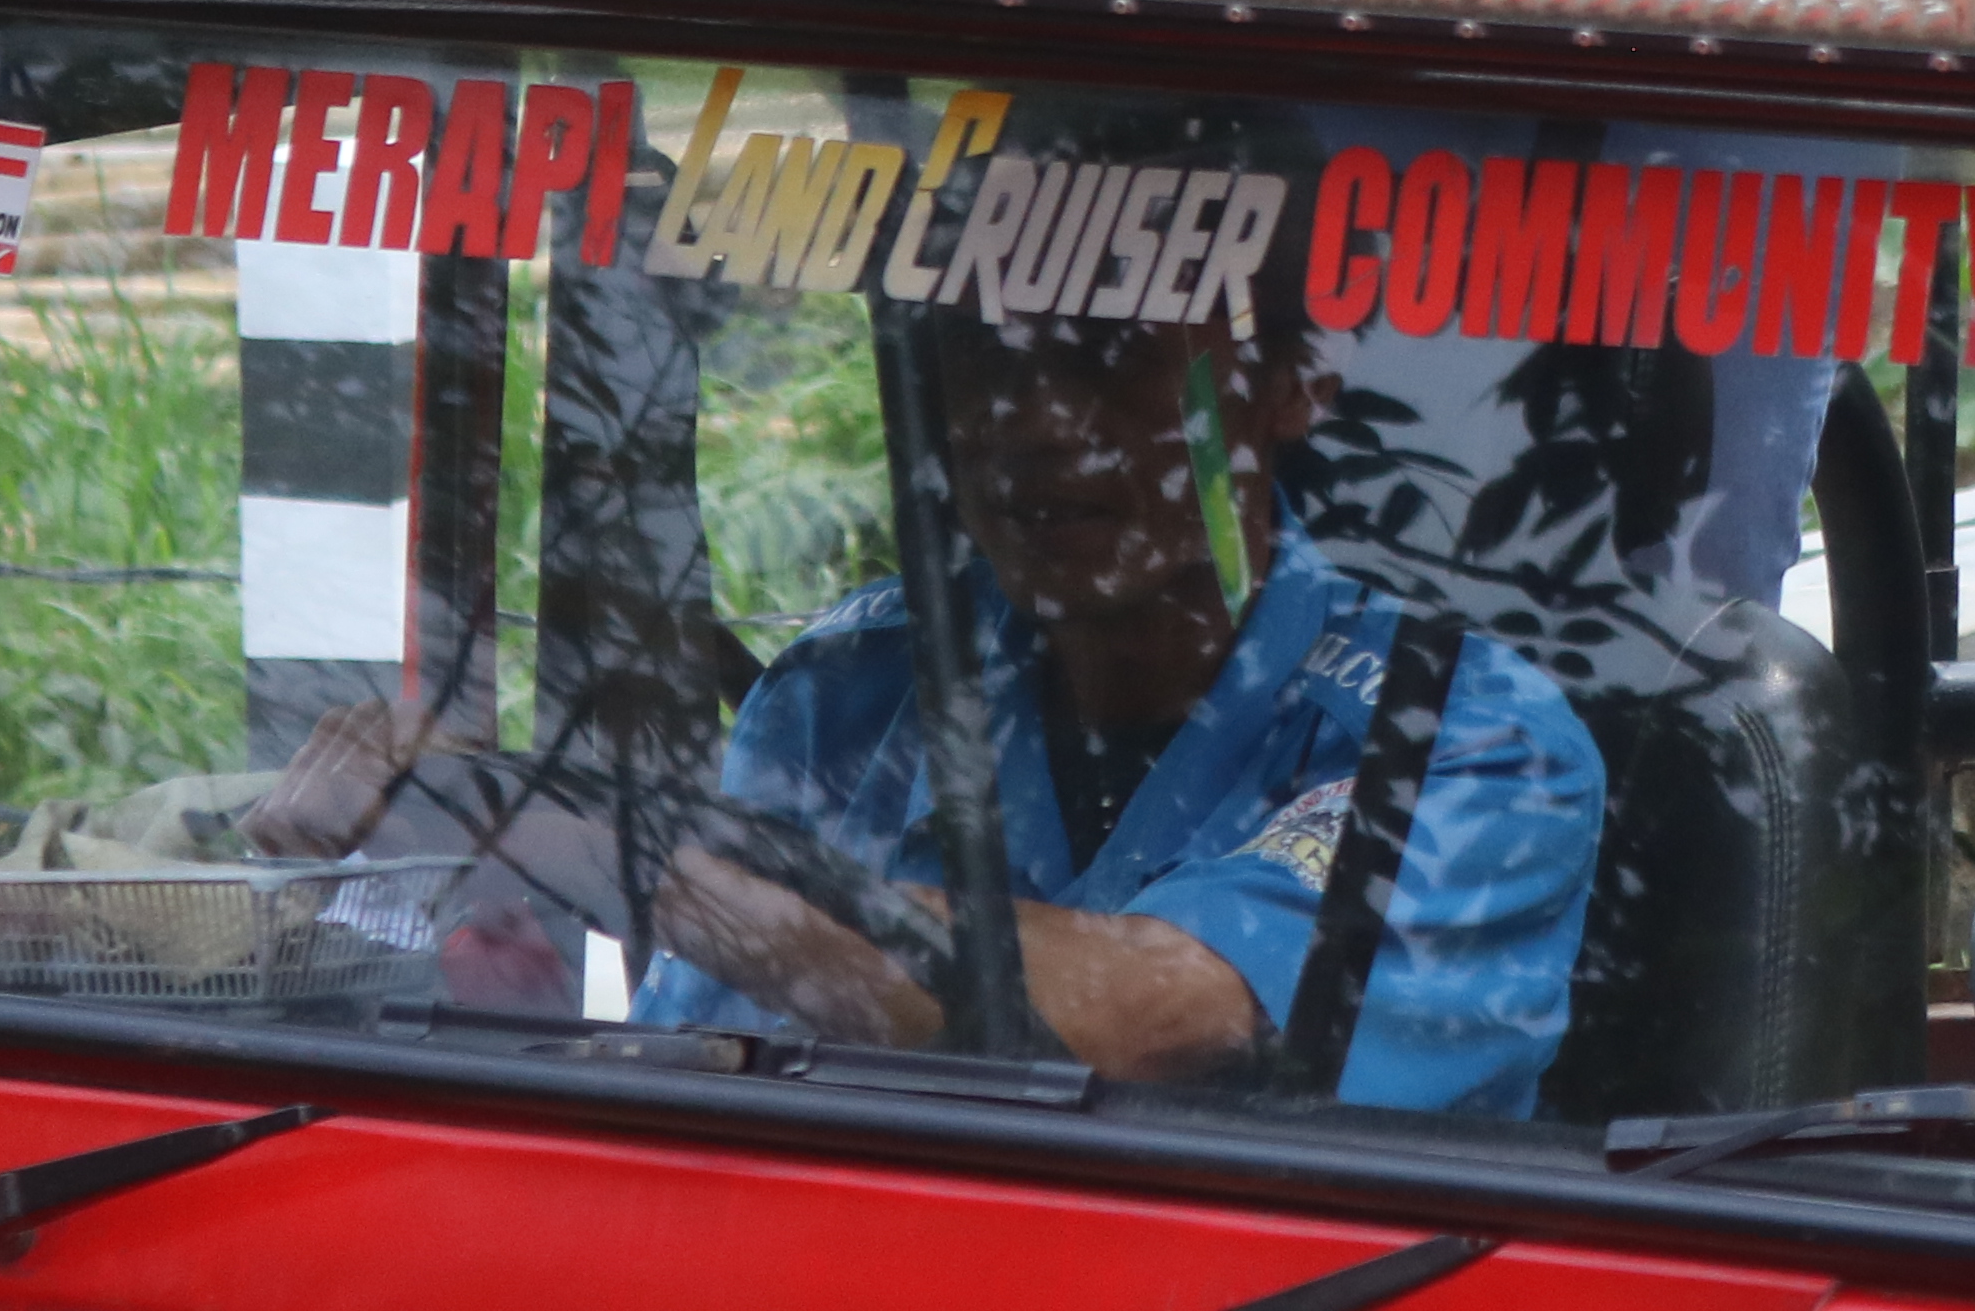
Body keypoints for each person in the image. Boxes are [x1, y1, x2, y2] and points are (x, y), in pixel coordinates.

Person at [628, 268, 1606, 1114]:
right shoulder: (848, 692)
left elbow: (1143, 1020)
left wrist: (650, 861)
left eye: (1115, 351)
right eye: (983, 351)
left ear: (1291, 380)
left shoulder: (1460, 733)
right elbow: (693, 1082)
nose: (1041, 422)